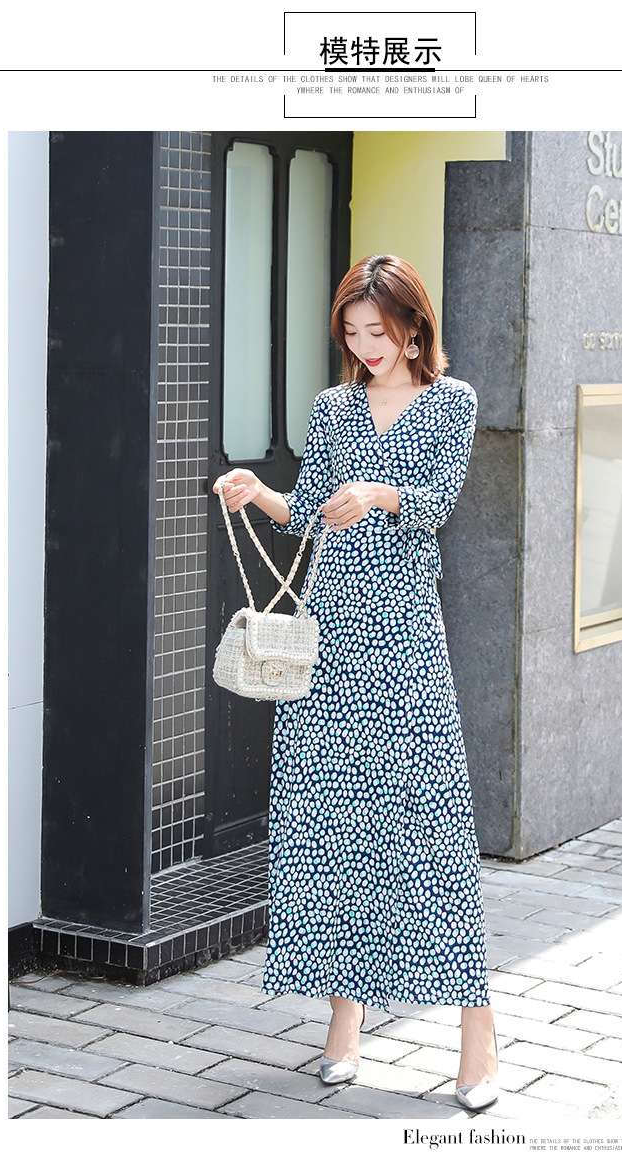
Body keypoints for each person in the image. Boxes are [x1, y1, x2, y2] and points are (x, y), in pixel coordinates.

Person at [213, 254, 498, 1111]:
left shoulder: (453, 401)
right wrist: (258, 492)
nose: (367, 345)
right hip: (330, 640)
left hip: (406, 638)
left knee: (431, 826)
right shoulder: (332, 408)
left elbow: (438, 502)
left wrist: (377, 492)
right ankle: (345, 1020)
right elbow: (306, 512)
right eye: (353, 330)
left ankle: (478, 1029)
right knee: (332, 824)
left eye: (380, 329)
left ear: (414, 326)